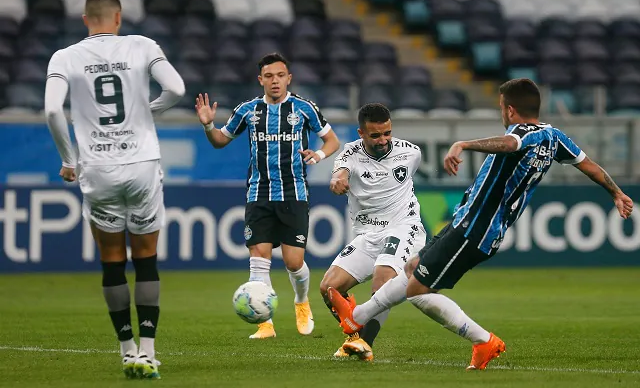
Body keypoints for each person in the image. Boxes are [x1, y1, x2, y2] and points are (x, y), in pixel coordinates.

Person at [327, 78, 634, 370]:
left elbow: (511, 143)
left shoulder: (525, 133)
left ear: (510, 110)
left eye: (502, 107)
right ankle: (357, 317)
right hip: (467, 222)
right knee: (411, 271)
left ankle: (483, 341)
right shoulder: (556, 138)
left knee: (417, 287)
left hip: (476, 227)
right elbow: (589, 165)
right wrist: (617, 192)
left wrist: (464, 144)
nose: (502, 113)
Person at [44, 0, 185, 379]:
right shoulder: (141, 45)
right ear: (118, 17)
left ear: (86, 19)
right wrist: (144, 113)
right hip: (140, 163)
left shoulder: (65, 57)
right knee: (146, 259)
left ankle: (126, 352)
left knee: (112, 262)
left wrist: (68, 160)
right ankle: (149, 351)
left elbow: (53, 108)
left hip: (97, 166)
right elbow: (176, 89)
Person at [195, 53, 341, 339]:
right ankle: (265, 323)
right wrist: (208, 125)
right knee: (259, 256)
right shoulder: (247, 111)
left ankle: (301, 302)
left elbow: (332, 140)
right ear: (260, 79)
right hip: (258, 192)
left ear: (289, 78)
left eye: (280, 75)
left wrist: (319, 154)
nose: (275, 81)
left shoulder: (304, 108)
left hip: (293, 191)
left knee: (293, 262)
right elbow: (220, 142)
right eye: (269, 76)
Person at [320, 103, 427, 361]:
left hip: (404, 226)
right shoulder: (350, 154)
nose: (383, 140)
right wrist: (338, 180)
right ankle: (354, 337)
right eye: (375, 135)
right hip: (368, 235)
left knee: (383, 277)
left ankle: (365, 345)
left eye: (387, 133)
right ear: (361, 133)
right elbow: (340, 172)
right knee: (329, 288)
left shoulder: (410, 153)